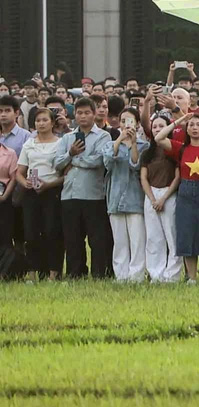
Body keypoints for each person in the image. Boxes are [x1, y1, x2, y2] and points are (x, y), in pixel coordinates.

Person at [54, 96, 115, 279]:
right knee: (73, 239)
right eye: (79, 113)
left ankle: (99, 273)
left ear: (94, 113)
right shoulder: (67, 138)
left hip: (93, 195)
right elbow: (56, 163)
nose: (83, 116)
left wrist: (74, 160)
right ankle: (75, 273)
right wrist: (70, 153)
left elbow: (99, 161)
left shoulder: (103, 136)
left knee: (97, 239)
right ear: (74, 115)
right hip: (69, 194)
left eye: (87, 112)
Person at [18, 105, 68, 280]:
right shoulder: (29, 144)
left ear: (52, 122)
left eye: (45, 120)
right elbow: (19, 171)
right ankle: (32, 272)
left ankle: (54, 272)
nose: (41, 123)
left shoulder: (61, 143)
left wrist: (49, 184)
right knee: (31, 233)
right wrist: (25, 183)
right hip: (32, 193)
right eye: (38, 120)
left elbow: (67, 173)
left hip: (52, 191)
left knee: (52, 231)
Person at [168, 112, 199, 281]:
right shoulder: (181, 148)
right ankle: (191, 277)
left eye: (198, 124)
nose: (194, 128)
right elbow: (159, 138)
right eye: (191, 125)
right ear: (186, 129)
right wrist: (180, 120)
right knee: (186, 234)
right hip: (185, 193)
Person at [105, 109, 150, 282]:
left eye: (130, 121)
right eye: (123, 121)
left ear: (137, 124)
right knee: (120, 241)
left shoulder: (143, 146)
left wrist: (132, 144)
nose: (126, 125)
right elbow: (108, 163)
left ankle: (136, 275)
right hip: (115, 198)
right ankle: (121, 275)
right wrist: (119, 140)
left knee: (137, 240)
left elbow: (135, 165)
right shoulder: (111, 144)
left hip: (135, 197)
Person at [138, 112, 181, 284]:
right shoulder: (147, 153)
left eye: (161, 126)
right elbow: (143, 177)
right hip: (151, 196)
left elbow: (178, 176)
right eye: (154, 126)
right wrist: (152, 198)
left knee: (172, 235)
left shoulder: (173, 150)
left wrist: (163, 198)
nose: (157, 129)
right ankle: (155, 274)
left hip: (169, 194)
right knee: (153, 237)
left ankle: (172, 276)